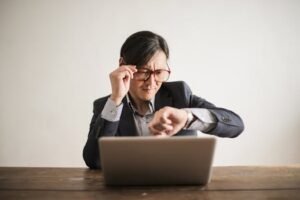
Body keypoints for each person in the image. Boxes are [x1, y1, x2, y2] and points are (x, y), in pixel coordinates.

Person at [83, 31, 244, 169]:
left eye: (159, 72)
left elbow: (236, 125)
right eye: (143, 71)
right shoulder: (106, 106)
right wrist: (116, 99)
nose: (151, 83)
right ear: (123, 66)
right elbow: (94, 161)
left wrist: (187, 118)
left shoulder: (179, 94)